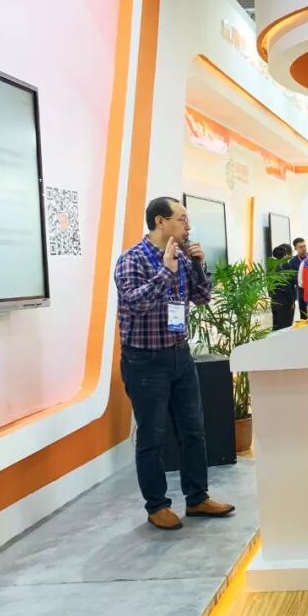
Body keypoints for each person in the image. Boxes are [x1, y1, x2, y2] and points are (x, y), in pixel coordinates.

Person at [114, 197, 235, 531]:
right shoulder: (132, 259)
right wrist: (165, 273)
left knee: (193, 430)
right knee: (152, 435)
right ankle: (157, 506)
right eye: (182, 219)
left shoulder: (183, 257)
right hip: (145, 361)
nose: (188, 226)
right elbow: (135, 303)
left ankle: (197, 498)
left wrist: (198, 266)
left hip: (180, 355)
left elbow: (202, 298)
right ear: (160, 221)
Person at [270, 243, 297, 331]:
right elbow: (287, 287)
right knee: (285, 329)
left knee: (276, 327)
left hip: (275, 301)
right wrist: (292, 301)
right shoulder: (284, 268)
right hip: (285, 303)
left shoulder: (271, 267)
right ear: (285, 255)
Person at [290, 237, 308, 319]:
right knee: (304, 317)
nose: (303, 248)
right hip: (302, 292)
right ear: (295, 249)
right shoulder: (292, 262)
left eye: (304, 246)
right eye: (300, 247)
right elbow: (293, 279)